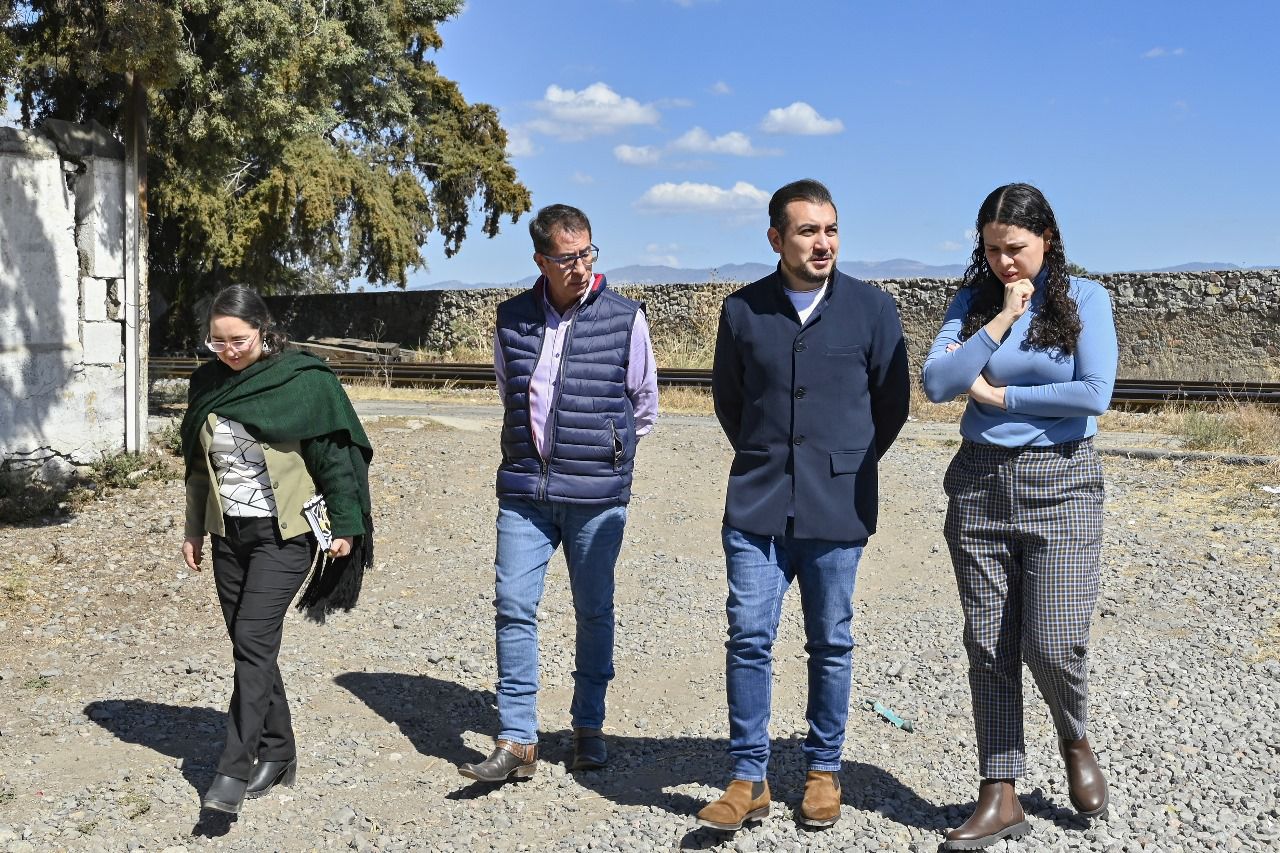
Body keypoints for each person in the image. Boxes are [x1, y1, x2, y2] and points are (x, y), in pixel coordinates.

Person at [697, 179, 910, 831]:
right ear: (776, 238)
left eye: (831, 230)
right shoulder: (742, 310)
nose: (823, 243)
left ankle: (823, 771)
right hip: (757, 503)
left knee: (831, 642)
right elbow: (731, 402)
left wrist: (844, 463)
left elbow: (891, 405)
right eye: (808, 231)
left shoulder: (873, 310)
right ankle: (748, 777)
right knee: (749, 638)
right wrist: (769, 459)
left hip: (837, 505)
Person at [921, 183, 1117, 850]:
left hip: (1063, 482)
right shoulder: (975, 303)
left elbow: (1094, 393)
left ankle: (1074, 736)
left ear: (1047, 240)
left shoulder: (1087, 299)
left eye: (1017, 248)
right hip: (979, 484)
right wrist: (1001, 319)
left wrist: (1001, 397)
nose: (1005, 261)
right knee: (989, 643)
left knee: (1052, 640)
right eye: (992, 250)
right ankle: (1000, 791)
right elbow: (939, 383)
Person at [456, 204, 658, 783]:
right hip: (525, 490)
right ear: (541, 260)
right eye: (567, 258)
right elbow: (510, 390)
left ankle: (588, 727)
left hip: (595, 494)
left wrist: (609, 453)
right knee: (514, 606)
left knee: (593, 610)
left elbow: (644, 404)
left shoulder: (625, 318)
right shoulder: (511, 319)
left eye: (587, 253)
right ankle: (517, 739)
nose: (580, 266)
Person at [179, 284, 374, 814]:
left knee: (251, 639)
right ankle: (279, 749)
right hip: (228, 536)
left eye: (238, 340)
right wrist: (194, 529)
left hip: (285, 537)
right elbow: (198, 467)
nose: (228, 351)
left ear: (263, 330)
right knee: (253, 647)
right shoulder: (207, 383)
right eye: (217, 342)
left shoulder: (301, 380)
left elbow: (333, 458)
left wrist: (346, 526)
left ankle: (232, 769)